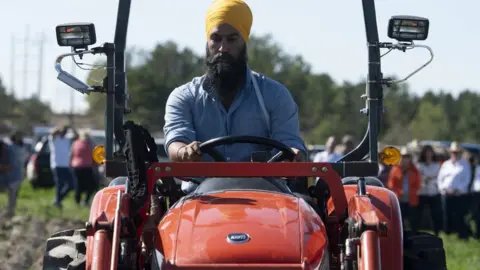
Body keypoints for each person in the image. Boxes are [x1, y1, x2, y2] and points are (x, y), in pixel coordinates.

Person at [163, 0, 306, 193]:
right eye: (216, 39)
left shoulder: (275, 95)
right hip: (199, 197)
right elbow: (176, 142)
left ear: (244, 42)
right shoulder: (184, 97)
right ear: (208, 42)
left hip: (266, 197)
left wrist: (295, 154)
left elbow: (290, 144)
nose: (223, 48)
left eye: (232, 39)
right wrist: (184, 151)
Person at [437, 142, 471, 239]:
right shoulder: (446, 164)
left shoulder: (465, 165)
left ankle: (462, 234)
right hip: (446, 193)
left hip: (459, 195)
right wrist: (443, 189)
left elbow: (466, 180)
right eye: (453, 152)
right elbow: (440, 179)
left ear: (460, 153)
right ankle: (448, 233)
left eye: (457, 152)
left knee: (460, 215)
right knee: (446, 215)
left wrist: (456, 190)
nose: (455, 154)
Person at [386, 147, 421, 232]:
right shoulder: (395, 170)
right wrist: (398, 192)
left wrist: (412, 192)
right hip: (399, 200)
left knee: (412, 221)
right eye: (403, 156)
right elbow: (391, 184)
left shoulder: (414, 170)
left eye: (407, 157)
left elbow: (418, 183)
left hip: (411, 199)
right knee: (399, 221)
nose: (405, 159)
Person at [415, 145, 442, 236]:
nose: (428, 154)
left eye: (430, 152)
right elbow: (417, 178)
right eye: (426, 152)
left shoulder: (436, 165)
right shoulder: (419, 165)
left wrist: (430, 179)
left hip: (433, 192)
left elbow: (438, 177)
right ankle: (416, 231)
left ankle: (437, 231)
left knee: (435, 214)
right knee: (419, 214)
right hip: (421, 192)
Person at [48, 125, 77, 208]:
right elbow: (53, 133)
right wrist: (61, 128)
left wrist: (71, 128)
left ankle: (58, 200)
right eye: (63, 131)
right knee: (59, 184)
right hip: (57, 165)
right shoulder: (54, 139)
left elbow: (76, 136)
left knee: (71, 184)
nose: (64, 133)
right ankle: (57, 201)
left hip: (66, 165)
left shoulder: (67, 139)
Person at [70, 130, 96, 206]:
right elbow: (94, 155)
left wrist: (70, 164)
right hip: (87, 167)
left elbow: (71, 155)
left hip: (76, 166)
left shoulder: (75, 143)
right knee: (91, 185)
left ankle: (77, 201)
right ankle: (85, 201)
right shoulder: (90, 144)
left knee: (78, 185)